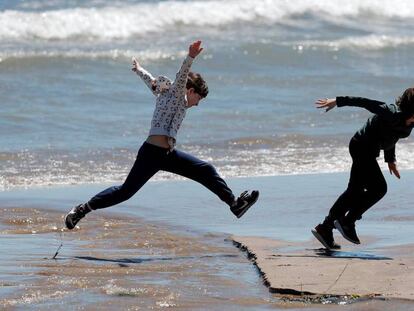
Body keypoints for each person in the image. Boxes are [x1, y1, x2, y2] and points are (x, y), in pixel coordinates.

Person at [64, 40, 259, 230]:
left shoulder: (167, 96)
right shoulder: (175, 95)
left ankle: (235, 204)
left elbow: (151, 82)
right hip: (150, 154)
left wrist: (139, 69)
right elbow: (181, 76)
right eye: (198, 98)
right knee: (125, 192)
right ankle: (82, 210)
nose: (197, 103)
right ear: (190, 90)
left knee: (205, 170)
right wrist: (190, 56)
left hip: (168, 154)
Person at [311, 88, 414, 249]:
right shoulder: (391, 112)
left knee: (354, 191)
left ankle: (325, 228)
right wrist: (338, 101)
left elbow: (392, 135)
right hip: (361, 146)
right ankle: (347, 221)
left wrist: (390, 160)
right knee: (379, 188)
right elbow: (365, 102)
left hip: (369, 150)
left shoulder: (410, 121)